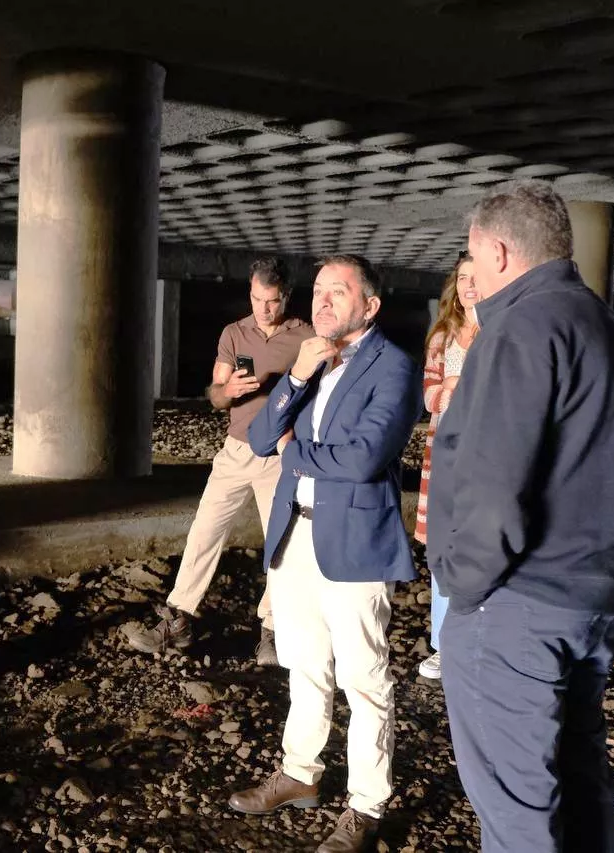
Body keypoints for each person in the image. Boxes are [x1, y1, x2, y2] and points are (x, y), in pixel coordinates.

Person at [427, 180, 614, 853]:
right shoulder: (613, 332)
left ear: (497, 250)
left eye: (473, 257)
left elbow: (496, 486)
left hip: (516, 609)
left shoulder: (520, 327)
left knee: (520, 813)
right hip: (593, 600)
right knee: (580, 783)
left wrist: (463, 588)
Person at [228, 255, 421, 853]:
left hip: (356, 541)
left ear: (371, 305)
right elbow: (259, 438)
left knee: (364, 680)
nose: (323, 301)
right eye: (317, 291)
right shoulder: (309, 358)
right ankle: (300, 775)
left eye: (339, 292)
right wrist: (292, 380)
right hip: (295, 535)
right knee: (304, 666)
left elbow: (364, 460)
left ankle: (367, 805)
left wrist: (295, 454)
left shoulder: (394, 366)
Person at [122, 258, 312, 664]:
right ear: (250, 294)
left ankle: (273, 632)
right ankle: (179, 620)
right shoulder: (234, 333)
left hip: (279, 455)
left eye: (273, 301)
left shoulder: (304, 336)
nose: (265, 309)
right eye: (258, 299)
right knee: (204, 532)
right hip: (235, 451)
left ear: (287, 298)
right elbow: (214, 395)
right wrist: (228, 388)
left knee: (280, 547)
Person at [413, 255, 479, 681]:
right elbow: (429, 397)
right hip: (444, 454)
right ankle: (442, 645)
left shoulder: (503, 332)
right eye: (462, 278)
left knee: (481, 547)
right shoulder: (443, 337)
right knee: (441, 552)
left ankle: (477, 639)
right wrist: (454, 389)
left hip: (490, 458)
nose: (469, 285)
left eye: (476, 277)